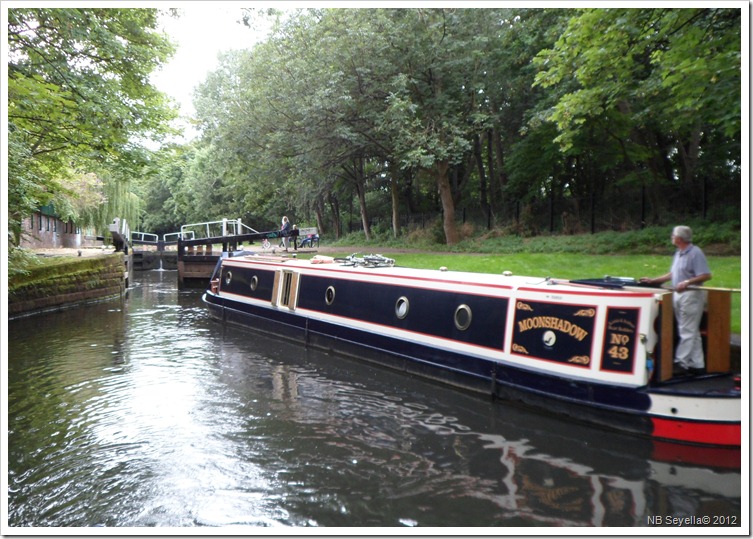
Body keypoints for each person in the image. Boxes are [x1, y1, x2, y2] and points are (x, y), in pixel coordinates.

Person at [640, 225, 712, 375]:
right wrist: (653, 280)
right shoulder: (678, 253)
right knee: (691, 330)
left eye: (673, 236)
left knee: (686, 330)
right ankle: (697, 364)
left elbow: (706, 275)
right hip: (678, 294)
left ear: (679, 239)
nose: (671, 238)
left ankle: (681, 362)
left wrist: (687, 282)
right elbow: (672, 274)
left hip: (690, 294)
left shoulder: (695, 253)